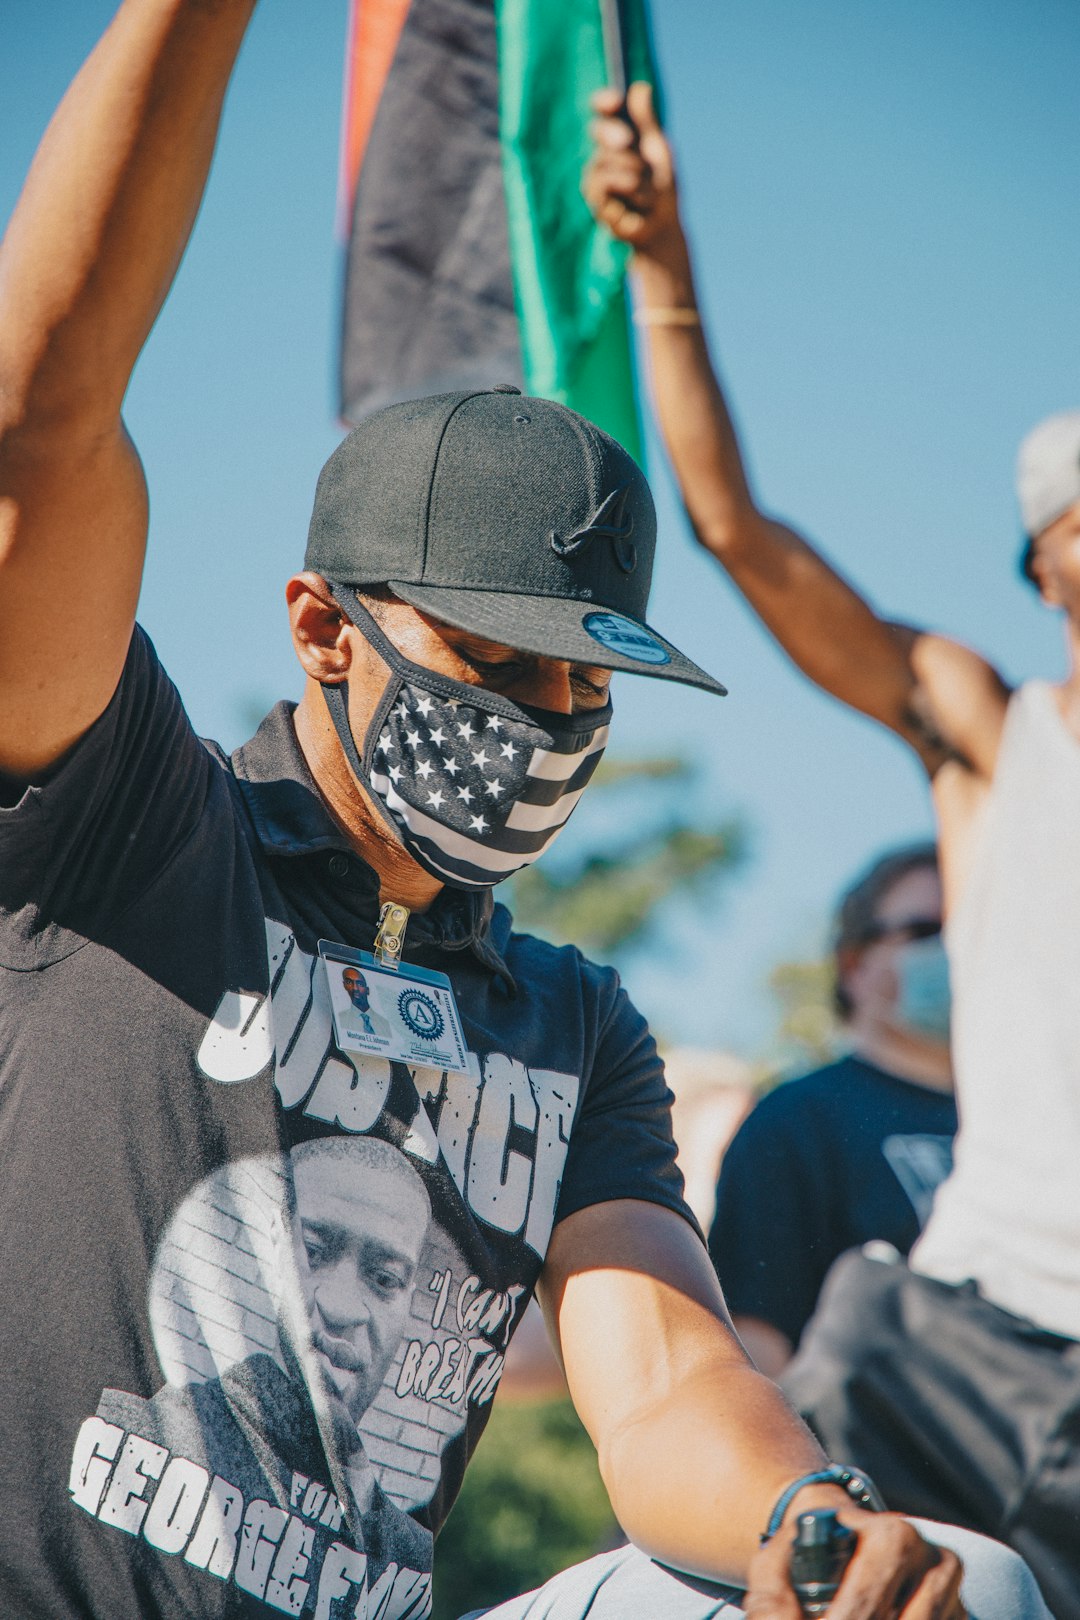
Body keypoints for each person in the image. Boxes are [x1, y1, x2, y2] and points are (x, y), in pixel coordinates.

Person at [0, 7, 1046, 1618]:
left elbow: (662, 1382)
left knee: (961, 1583)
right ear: (323, 628)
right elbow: (41, 421)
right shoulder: (127, 824)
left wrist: (806, 1526)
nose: (544, 725)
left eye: (586, 687)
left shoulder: (573, 1027)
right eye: (493, 662)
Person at [586, 79, 1080, 1618]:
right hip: (974, 1352)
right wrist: (664, 270)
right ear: (1049, 563)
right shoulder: (998, 737)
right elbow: (737, 530)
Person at [96, 1137, 432, 1595]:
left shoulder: (404, 1557)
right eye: (314, 1251)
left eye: (385, 1279)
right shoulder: (130, 1437)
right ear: (274, 1242)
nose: (341, 1306)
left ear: (411, 1299)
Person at [709, 843, 957, 1378]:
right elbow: (756, 1350)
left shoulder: (1037, 1131)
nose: (953, 950)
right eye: (924, 932)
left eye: (968, 928)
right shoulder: (795, 1120)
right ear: (854, 966)